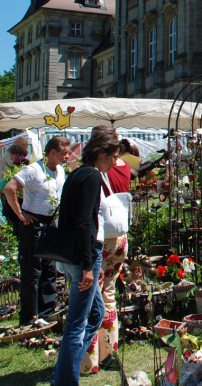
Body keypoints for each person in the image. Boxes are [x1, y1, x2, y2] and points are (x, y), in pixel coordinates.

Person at [52, 127, 119, 386]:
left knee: (95, 314)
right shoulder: (92, 177)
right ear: (101, 154)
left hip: (74, 255)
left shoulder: (77, 174)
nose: (115, 161)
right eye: (113, 156)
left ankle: (62, 372)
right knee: (77, 324)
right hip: (82, 256)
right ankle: (65, 380)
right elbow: (84, 223)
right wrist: (89, 264)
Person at [3, 136, 70, 326]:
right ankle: (30, 316)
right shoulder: (33, 170)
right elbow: (9, 189)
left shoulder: (61, 171)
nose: (67, 156)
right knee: (33, 270)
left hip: (51, 222)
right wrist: (21, 214)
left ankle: (47, 311)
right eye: (64, 153)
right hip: (33, 222)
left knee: (50, 268)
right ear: (52, 152)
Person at [83, 127, 130, 375]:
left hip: (102, 240)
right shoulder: (123, 166)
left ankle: (89, 360)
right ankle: (109, 352)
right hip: (120, 238)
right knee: (109, 296)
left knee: (91, 299)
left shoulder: (95, 172)